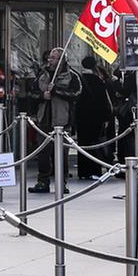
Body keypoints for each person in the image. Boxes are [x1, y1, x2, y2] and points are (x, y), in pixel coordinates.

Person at [32, 46, 81, 192]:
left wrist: (56, 91)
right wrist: (42, 96)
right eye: (50, 57)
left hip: (62, 120)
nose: (50, 60)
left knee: (61, 154)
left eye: (53, 58)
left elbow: (76, 94)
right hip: (44, 119)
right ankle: (43, 181)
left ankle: (62, 183)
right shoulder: (42, 74)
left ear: (61, 60)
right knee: (43, 153)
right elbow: (32, 92)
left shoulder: (72, 76)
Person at [74, 55, 116, 179]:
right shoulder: (97, 81)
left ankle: (83, 171)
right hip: (96, 118)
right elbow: (103, 101)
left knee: (83, 143)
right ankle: (94, 170)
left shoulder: (79, 79)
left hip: (82, 117)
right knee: (94, 143)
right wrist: (106, 117)